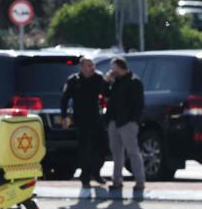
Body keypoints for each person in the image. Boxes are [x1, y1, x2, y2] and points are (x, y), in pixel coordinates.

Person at [60, 57, 108, 187]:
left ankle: (96, 172)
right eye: (89, 65)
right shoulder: (74, 80)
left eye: (93, 65)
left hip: (96, 117)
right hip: (81, 118)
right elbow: (65, 99)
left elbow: (107, 93)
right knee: (85, 148)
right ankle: (85, 177)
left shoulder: (98, 78)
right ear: (82, 67)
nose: (92, 68)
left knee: (102, 146)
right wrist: (64, 117)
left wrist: (109, 82)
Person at [102, 56, 146, 197]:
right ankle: (117, 180)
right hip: (114, 120)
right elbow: (106, 94)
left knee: (133, 152)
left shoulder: (134, 81)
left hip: (127, 122)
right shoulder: (116, 81)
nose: (111, 70)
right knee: (116, 153)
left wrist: (134, 120)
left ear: (120, 67)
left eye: (113, 67)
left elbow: (139, 104)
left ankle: (140, 180)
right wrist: (106, 81)